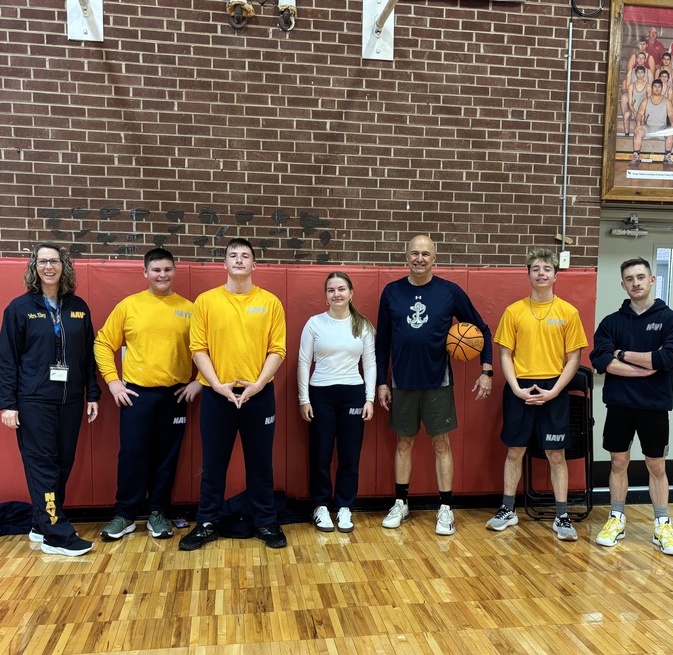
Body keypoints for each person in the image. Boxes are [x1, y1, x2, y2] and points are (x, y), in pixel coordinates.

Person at [376, 234, 494, 536]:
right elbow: (383, 342)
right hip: (401, 382)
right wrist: (381, 382)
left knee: (441, 444)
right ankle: (401, 503)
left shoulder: (449, 292)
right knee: (404, 443)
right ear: (406, 256)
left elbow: (482, 329)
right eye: (414, 253)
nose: (419, 259)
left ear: (434, 258)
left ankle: (445, 509)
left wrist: (487, 369)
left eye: (425, 254)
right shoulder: (391, 292)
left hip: (437, 382)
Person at [179, 238, 288, 551]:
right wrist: (216, 385)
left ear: (254, 265)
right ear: (224, 264)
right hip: (218, 395)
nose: (239, 260)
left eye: (245, 256)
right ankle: (207, 523)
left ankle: (266, 522)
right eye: (233, 256)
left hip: (259, 395)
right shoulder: (206, 302)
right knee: (213, 464)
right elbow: (198, 349)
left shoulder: (270, 303)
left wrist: (257, 384)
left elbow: (277, 350)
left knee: (260, 464)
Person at [0, 243, 100, 557]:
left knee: (63, 464)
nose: (48, 267)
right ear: (34, 267)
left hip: (69, 401)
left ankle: (41, 525)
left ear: (63, 266)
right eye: (42, 262)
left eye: (54, 261)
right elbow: (7, 358)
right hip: (33, 401)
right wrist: (7, 403)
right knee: (44, 467)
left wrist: (92, 394)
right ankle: (57, 534)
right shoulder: (19, 308)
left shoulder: (78, 307)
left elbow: (87, 355)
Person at [94, 247, 201, 542]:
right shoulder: (129, 306)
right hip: (136, 395)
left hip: (175, 396)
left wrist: (200, 381)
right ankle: (125, 515)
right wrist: (114, 382)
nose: (162, 275)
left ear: (174, 272)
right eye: (156, 270)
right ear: (145, 273)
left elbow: (209, 350)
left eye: (167, 269)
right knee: (132, 455)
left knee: (166, 457)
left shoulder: (190, 309)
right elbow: (102, 344)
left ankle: (157, 513)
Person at [590, 258, 673, 556]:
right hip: (619, 405)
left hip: (654, 406)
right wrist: (645, 366)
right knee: (618, 463)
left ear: (652, 280)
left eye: (641, 277)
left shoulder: (671, 319)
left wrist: (623, 354)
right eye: (629, 278)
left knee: (656, 466)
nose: (636, 282)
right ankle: (616, 517)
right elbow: (601, 360)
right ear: (623, 284)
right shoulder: (611, 322)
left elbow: (668, 357)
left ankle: (662, 524)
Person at [486, 249, 588, 541]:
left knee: (556, 454)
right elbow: (505, 354)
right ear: (528, 274)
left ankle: (562, 516)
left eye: (547, 269)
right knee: (515, 451)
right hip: (521, 388)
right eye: (536, 269)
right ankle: (508, 510)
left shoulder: (568, 312)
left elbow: (574, 357)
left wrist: (556, 390)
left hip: (554, 388)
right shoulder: (514, 311)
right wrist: (516, 387)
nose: (541, 273)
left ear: (556, 275)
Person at [298, 272, 376, 533]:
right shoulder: (314, 324)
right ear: (326, 296)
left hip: (353, 393)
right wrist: (304, 398)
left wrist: (369, 398)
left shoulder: (362, 325)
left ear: (351, 293)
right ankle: (320, 506)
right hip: (321, 394)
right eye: (331, 290)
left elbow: (370, 363)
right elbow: (303, 362)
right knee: (320, 455)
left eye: (341, 289)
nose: (337, 294)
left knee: (349, 455)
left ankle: (344, 506)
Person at [630, 78, 673, 166]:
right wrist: (638, 125)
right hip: (649, 128)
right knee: (638, 131)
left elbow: (671, 115)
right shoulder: (646, 101)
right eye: (655, 86)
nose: (657, 88)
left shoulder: (667, 101)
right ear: (652, 88)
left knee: (671, 132)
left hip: (662, 128)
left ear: (662, 88)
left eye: (659, 86)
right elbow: (639, 114)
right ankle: (636, 157)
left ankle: (667, 157)